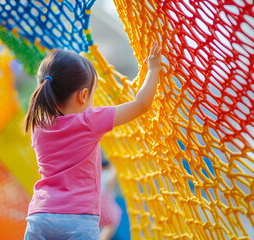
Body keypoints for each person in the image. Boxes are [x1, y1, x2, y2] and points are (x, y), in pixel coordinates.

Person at [23, 43, 162, 239]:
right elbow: (141, 105)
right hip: (79, 218)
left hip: (40, 215)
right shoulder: (89, 121)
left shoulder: (38, 126)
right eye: (93, 93)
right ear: (83, 96)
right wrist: (154, 69)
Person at [99, 159, 122, 240]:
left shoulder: (96, 176)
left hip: (93, 209)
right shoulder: (106, 175)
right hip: (104, 208)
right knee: (112, 221)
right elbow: (111, 181)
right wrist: (114, 166)